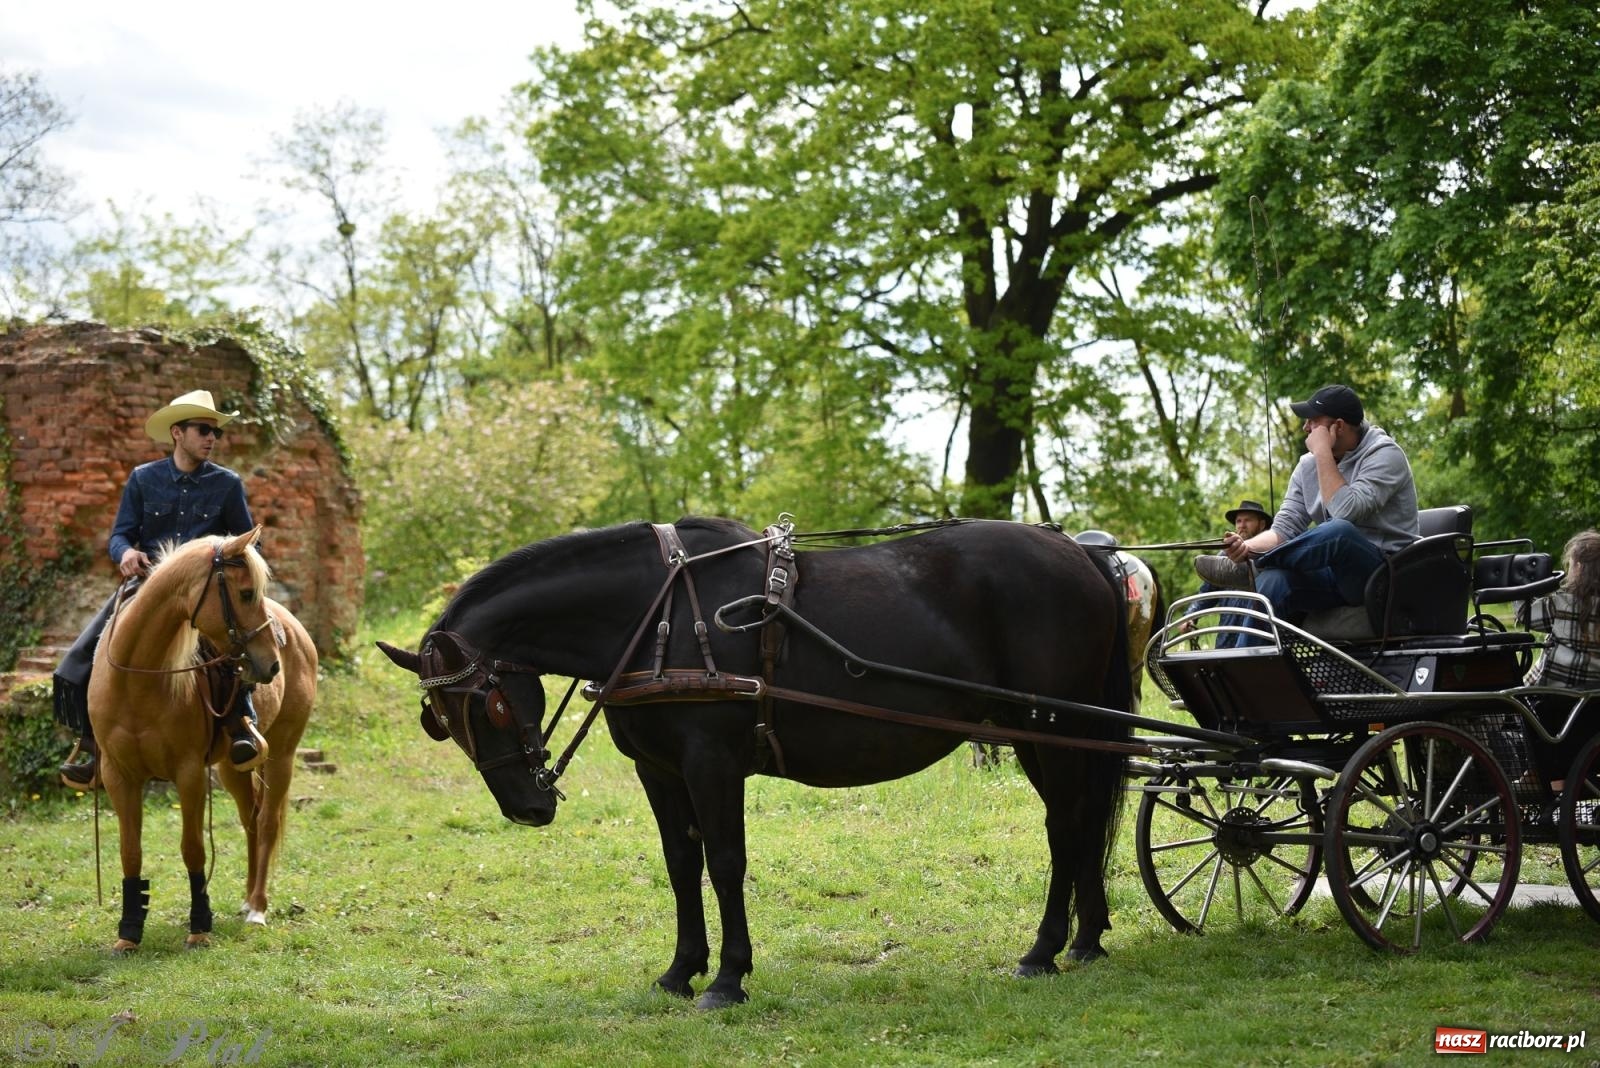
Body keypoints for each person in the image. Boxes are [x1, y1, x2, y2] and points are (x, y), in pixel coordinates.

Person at [55, 390, 265, 788]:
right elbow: (119, 534)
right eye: (204, 430)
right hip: (146, 588)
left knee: (235, 649)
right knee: (83, 656)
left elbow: (249, 546)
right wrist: (126, 553)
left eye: (215, 432)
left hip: (205, 594)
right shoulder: (142, 478)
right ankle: (92, 745)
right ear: (177, 433)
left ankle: (241, 726)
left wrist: (220, 562)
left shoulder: (227, 484)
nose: (211, 438)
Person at [1195, 384, 1420, 627]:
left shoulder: (1385, 454)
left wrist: (1322, 450)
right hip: (1333, 575)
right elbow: (1284, 528)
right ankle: (1247, 661)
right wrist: (1244, 548)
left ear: (1339, 426)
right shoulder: (1307, 466)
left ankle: (1255, 565)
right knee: (1273, 580)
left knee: (1339, 531)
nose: (1305, 428)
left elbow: (1345, 511)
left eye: (1312, 421)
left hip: (1383, 575)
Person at [1517, 530, 1600, 789]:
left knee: (1519, 700)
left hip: (1554, 705)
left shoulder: (1561, 603)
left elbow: (1524, 615)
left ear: (1577, 567)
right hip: (1592, 709)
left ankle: (1536, 774)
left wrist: (1527, 585)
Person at [1185, 499, 1272, 648]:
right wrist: (1190, 615)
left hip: (1261, 638)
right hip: (1226, 638)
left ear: (1262, 524)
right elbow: (1206, 592)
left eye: (1248, 520)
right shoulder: (1224, 555)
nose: (1241, 525)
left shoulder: (1271, 554)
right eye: (1238, 521)